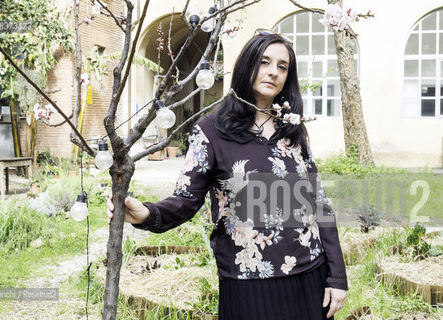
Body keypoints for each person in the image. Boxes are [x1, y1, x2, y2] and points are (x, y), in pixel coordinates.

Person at [107, 30, 348, 320]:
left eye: (282, 67)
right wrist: (146, 213)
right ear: (247, 65)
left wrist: (337, 277)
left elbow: (319, 205)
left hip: (310, 275)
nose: (273, 72)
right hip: (246, 284)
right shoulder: (211, 130)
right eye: (264, 62)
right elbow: (186, 200)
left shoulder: (293, 129)